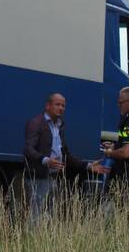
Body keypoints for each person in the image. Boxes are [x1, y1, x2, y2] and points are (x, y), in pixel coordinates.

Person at [23, 93, 105, 222]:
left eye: (63, 105)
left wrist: (88, 166)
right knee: (36, 216)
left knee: (49, 217)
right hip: (38, 177)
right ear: (48, 106)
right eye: (57, 104)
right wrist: (45, 160)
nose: (61, 108)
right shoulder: (36, 123)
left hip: (53, 177)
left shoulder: (59, 126)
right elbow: (28, 149)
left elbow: (66, 155)